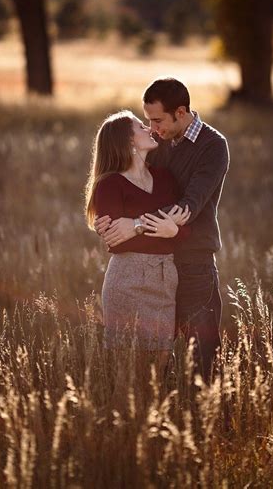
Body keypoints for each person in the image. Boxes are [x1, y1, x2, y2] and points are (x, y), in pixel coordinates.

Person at [96, 78, 230, 383]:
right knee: (154, 360)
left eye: (157, 120)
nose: (153, 128)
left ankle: (209, 418)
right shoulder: (159, 141)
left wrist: (136, 226)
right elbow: (130, 181)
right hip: (156, 268)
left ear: (180, 112)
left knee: (203, 353)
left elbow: (187, 207)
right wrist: (106, 220)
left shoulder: (213, 146)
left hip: (194, 261)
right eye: (147, 121)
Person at [85, 110, 191, 373]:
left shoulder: (165, 178)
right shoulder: (109, 185)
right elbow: (117, 243)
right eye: (141, 127)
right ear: (129, 142)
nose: (150, 129)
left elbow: (186, 226)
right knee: (130, 378)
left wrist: (146, 228)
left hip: (165, 279)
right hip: (127, 281)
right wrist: (162, 227)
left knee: (159, 372)